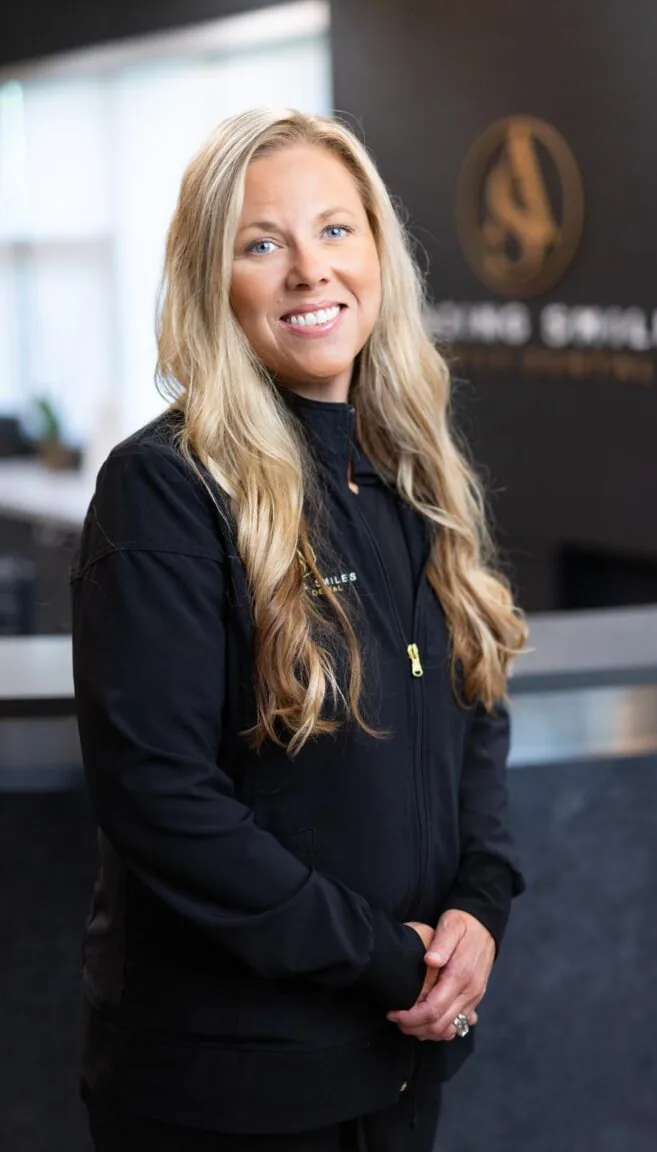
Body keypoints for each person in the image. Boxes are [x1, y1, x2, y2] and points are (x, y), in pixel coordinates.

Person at [71, 108, 527, 1152]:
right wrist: (383, 955)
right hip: (231, 1093)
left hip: (397, 1064)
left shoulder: (412, 474)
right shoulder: (166, 488)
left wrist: (480, 907)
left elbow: (477, 712)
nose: (307, 271)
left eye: (334, 230)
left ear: (378, 253)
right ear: (210, 278)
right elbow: (159, 797)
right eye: (260, 243)